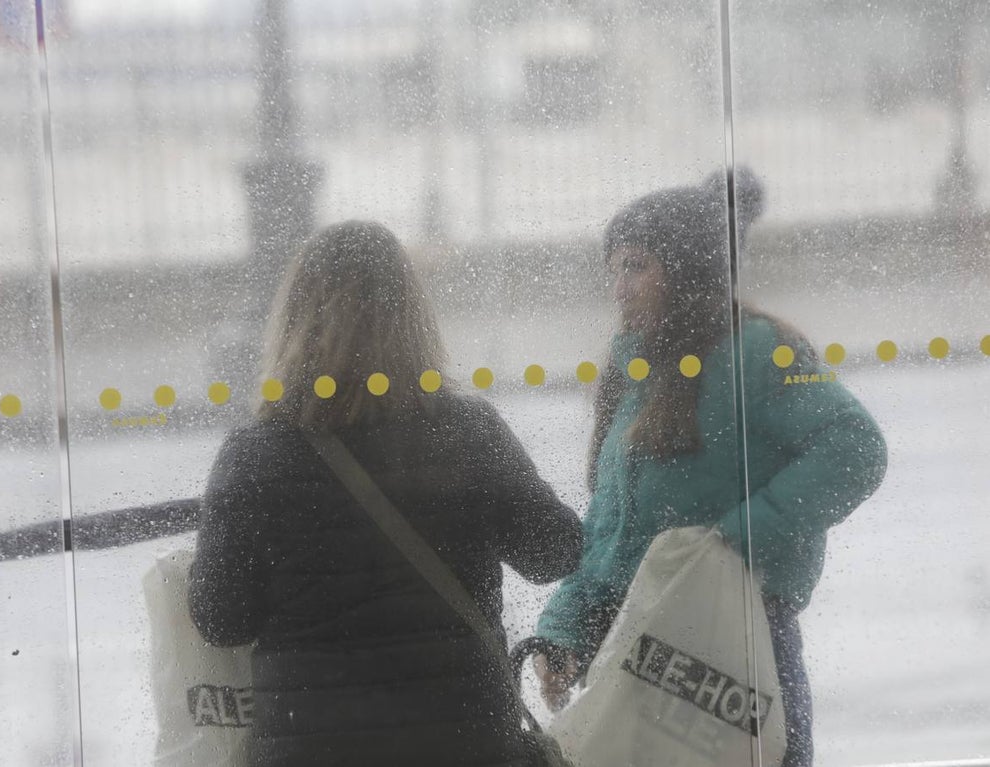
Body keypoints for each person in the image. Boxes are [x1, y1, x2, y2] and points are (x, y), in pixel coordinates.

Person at [189, 220, 584, 767]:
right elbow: (553, 553)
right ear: (413, 316)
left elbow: (220, 619)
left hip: (312, 749)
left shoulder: (256, 455)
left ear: (293, 320)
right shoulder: (467, 431)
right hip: (465, 742)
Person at [533, 169, 887, 767]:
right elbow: (609, 533)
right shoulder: (631, 368)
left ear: (687, 270)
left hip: (737, 650)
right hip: (644, 652)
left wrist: (735, 541)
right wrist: (563, 630)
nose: (619, 287)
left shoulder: (757, 351)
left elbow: (856, 449)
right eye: (613, 268)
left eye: (637, 265)